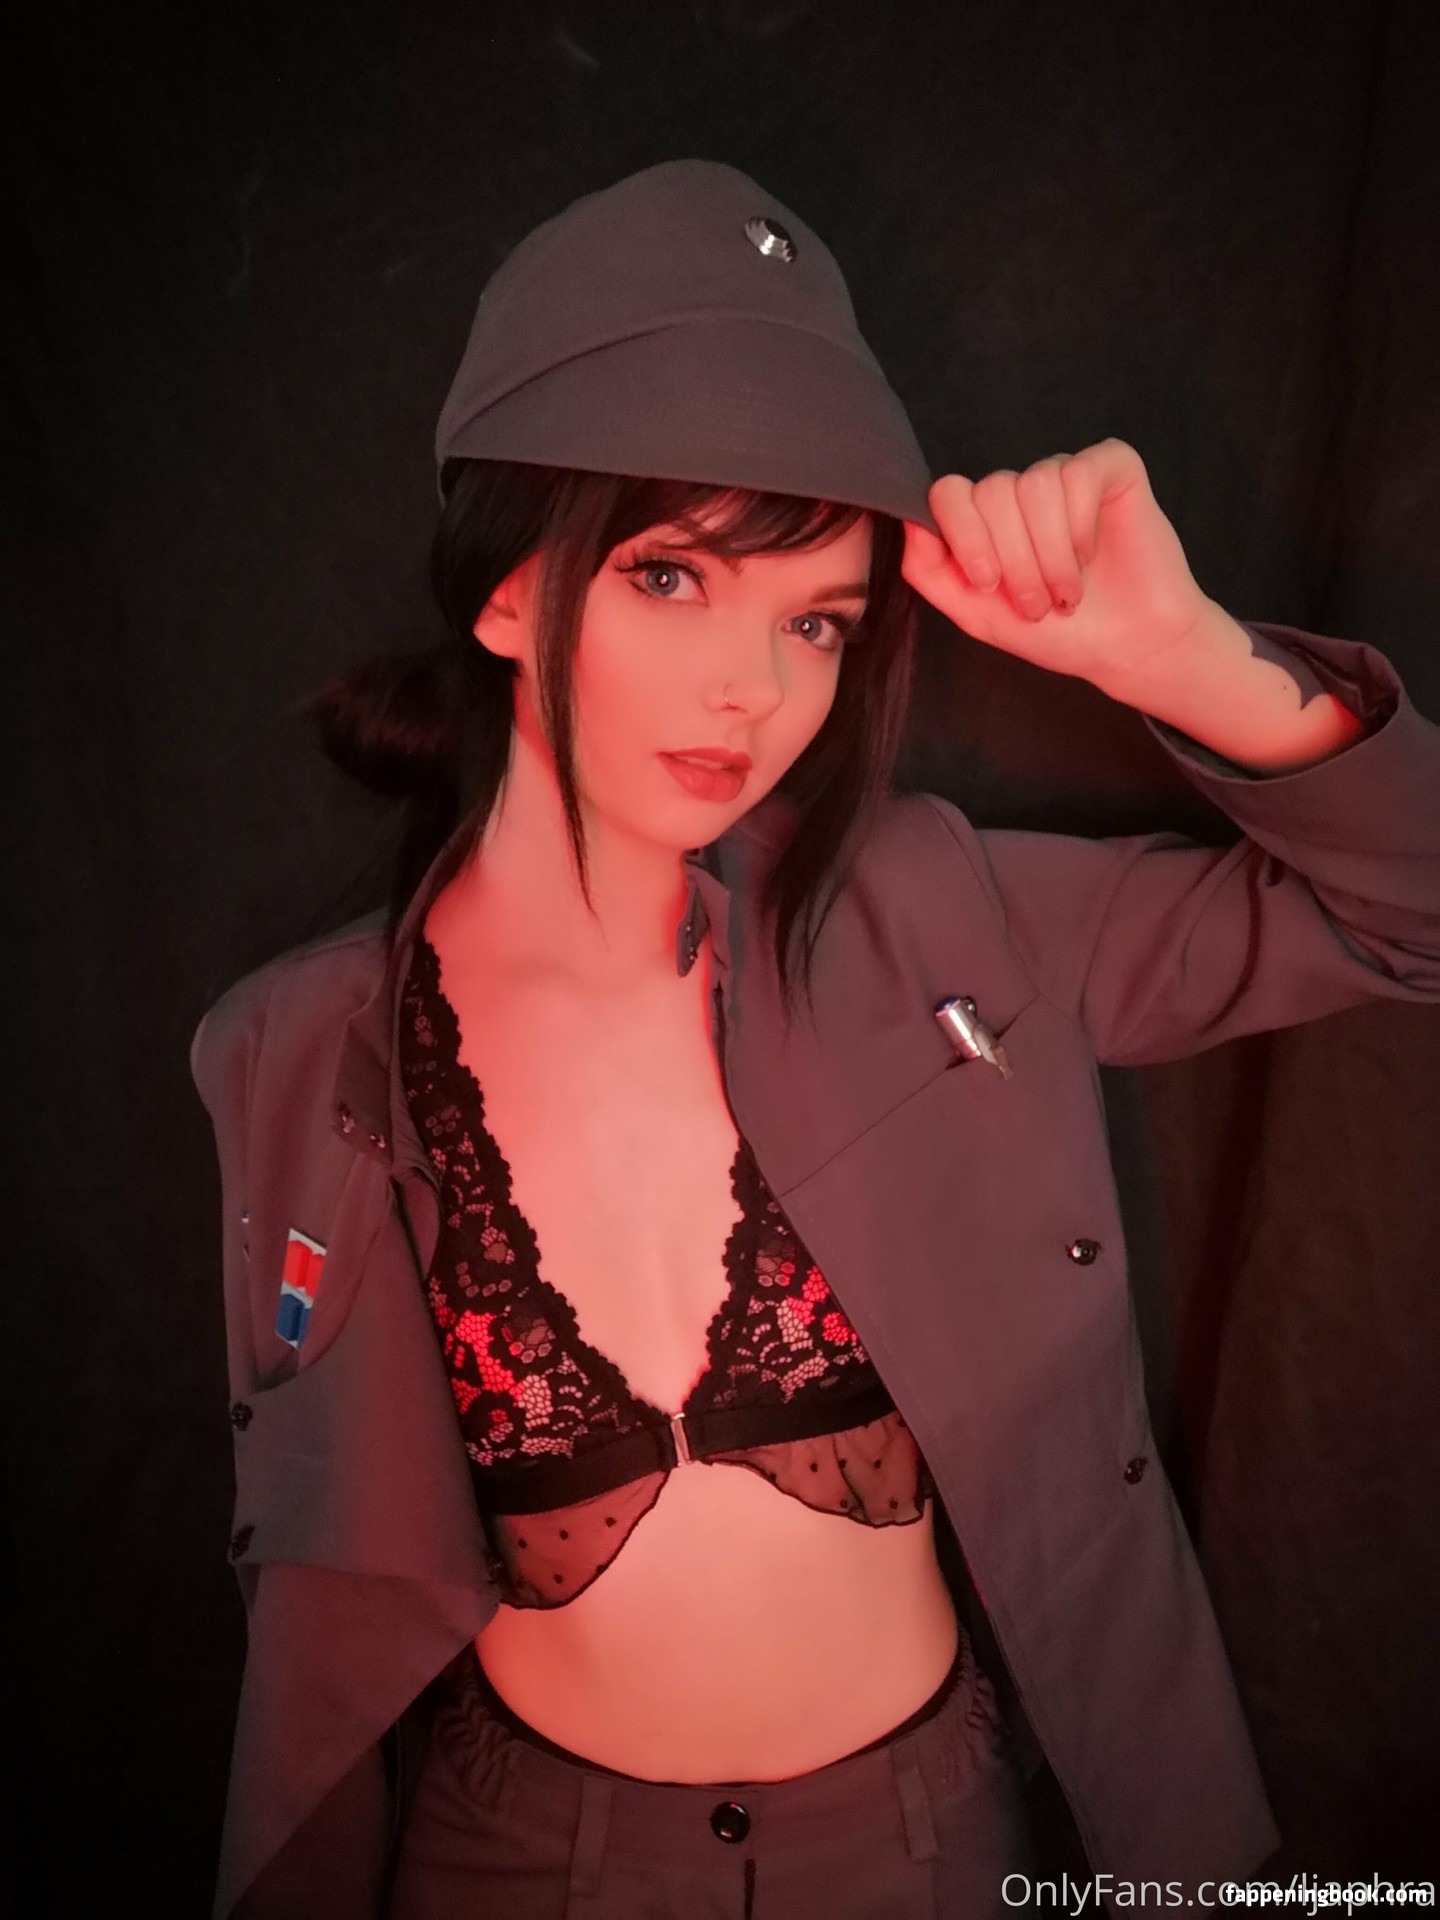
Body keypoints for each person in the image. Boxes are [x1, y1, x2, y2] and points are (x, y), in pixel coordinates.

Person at [189, 159, 1440, 1920]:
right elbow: (321, 1571)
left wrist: (1183, 658)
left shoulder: (943, 922)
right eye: (671, 578)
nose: (755, 691)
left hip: (924, 1852)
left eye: (816, 622)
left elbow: (1414, 915)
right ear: (504, 592)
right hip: (512, 1862)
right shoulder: (301, 1053)